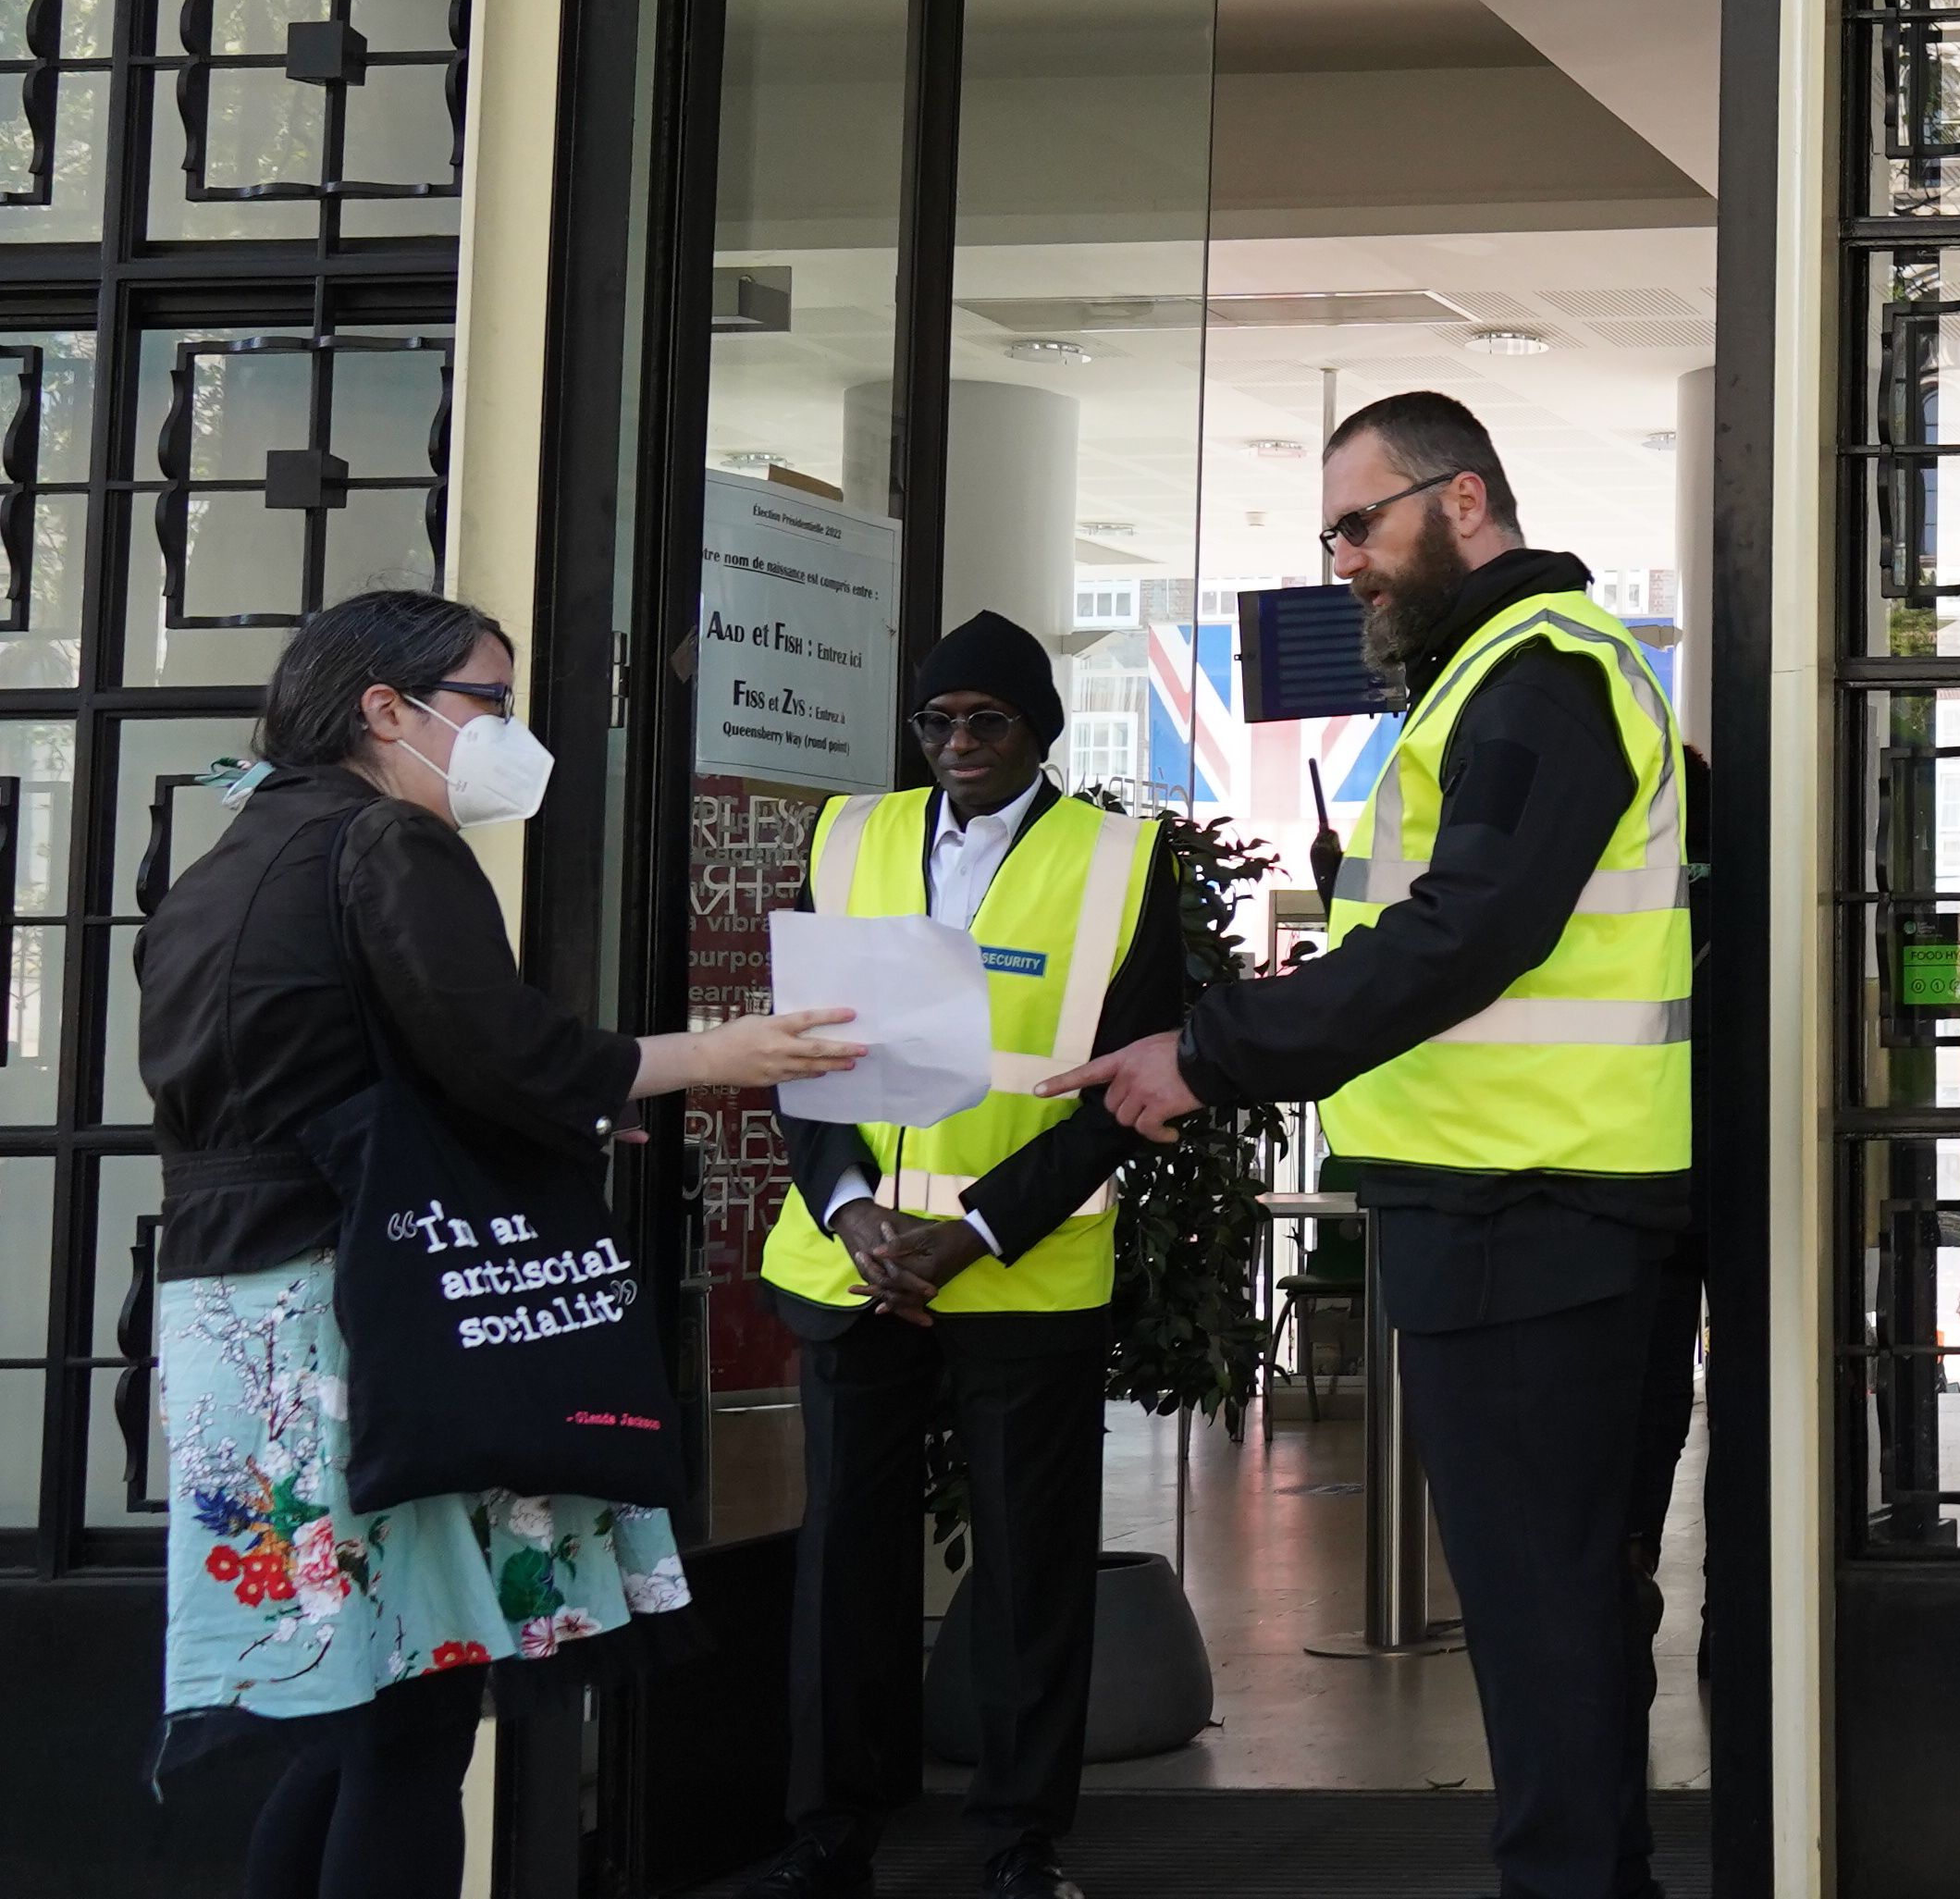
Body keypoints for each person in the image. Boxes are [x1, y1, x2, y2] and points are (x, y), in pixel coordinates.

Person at [1054, 392, 1695, 1899]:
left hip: (1535, 1218)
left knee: (1543, 1618)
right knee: (1563, 1614)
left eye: (1360, 522)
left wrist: (1210, 1050)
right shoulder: (1495, 679)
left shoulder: (1537, 678)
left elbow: (1470, 930)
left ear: (1462, 499)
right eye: (1329, 531)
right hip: (1529, 1213)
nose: (1340, 558)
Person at [137, 591, 863, 1899]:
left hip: (238, 1321)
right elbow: (500, 1046)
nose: (511, 733)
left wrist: (547, 1110)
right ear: (385, 707)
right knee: (421, 1699)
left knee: (349, 1694)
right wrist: (715, 1052)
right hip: (363, 1312)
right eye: (491, 699)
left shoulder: (234, 859)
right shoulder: (387, 843)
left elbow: (342, 1074)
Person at [720, 613, 1192, 1899]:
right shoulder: (849, 835)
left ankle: (1020, 1839)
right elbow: (797, 1052)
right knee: (845, 1566)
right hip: (857, 1261)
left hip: (1018, 1262)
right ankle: (833, 1830)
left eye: (988, 719)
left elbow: (1130, 1090)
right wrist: (854, 1211)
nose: (960, 744)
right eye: (938, 720)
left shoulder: (1122, 859)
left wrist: (975, 1226)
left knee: (1034, 1565)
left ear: (1037, 726)